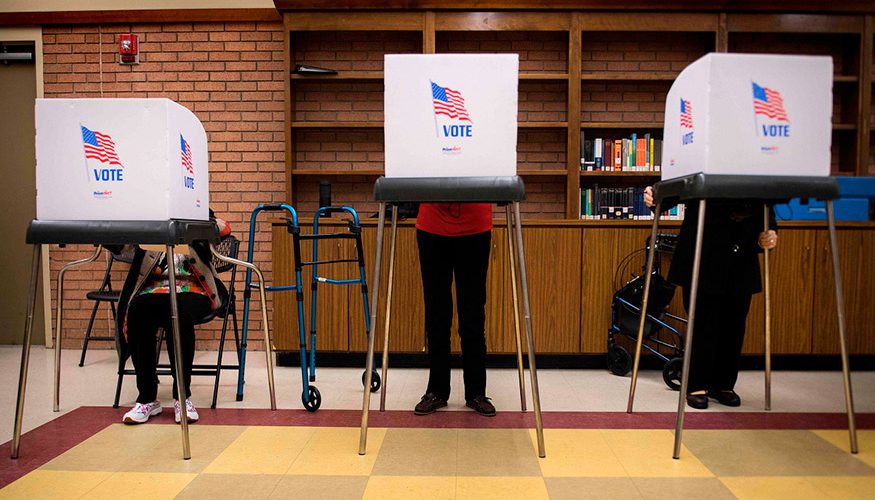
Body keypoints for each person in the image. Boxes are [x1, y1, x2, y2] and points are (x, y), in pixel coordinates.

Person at [644, 186, 777, 409]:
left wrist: (770, 231)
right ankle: (697, 384)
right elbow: (672, 189)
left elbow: (765, 205)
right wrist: (654, 194)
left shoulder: (754, 164)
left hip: (741, 254)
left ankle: (723, 384)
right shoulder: (702, 157)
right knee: (703, 323)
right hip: (702, 253)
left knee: (735, 325)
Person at [116, 212, 230, 424]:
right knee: (137, 310)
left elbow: (223, 230)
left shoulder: (195, 211)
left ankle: (182, 396)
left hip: (195, 288)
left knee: (178, 312)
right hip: (153, 289)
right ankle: (147, 398)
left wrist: (198, 217)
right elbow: (121, 246)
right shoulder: (148, 216)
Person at [413, 202, 495, 417]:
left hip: (475, 228)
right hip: (432, 227)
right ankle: (436, 391)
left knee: (473, 315)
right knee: (437, 315)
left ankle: (477, 393)